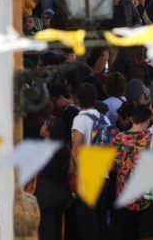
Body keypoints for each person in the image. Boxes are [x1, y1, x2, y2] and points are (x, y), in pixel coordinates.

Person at [70, 83, 111, 239]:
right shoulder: (104, 118)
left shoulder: (80, 119)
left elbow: (76, 148)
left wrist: (73, 174)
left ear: (77, 99)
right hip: (103, 174)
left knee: (86, 221)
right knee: (100, 220)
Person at [110, 104, 153, 240]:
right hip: (145, 199)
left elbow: (110, 165)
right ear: (148, 120)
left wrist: (122, 168)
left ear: (131, 119)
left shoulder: (119, 139)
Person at [36, 117, 71, 240]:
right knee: (57, 229)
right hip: (61, 192)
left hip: (44, 193)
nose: (41, 127)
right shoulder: (65, 149)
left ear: (47, 130)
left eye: (44, 125)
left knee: (45, 230)